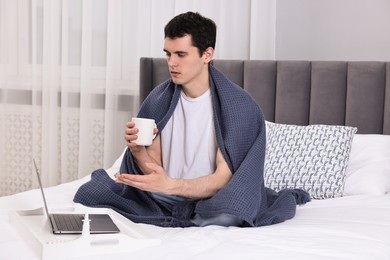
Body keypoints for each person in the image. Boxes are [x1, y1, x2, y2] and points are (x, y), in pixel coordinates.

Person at [74, 11, 309, 228]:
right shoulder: (158, 99)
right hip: (165, 194)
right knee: (90, 194)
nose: (171, 63)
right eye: (168, 54)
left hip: (213, 197)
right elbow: (154, 170)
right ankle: (184, 213)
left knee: (230, 213)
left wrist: (172, 186)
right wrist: (137, 151)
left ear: (207, 54)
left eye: (181, 54)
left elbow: (221, 180)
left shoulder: (239, 108)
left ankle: (188, 213)